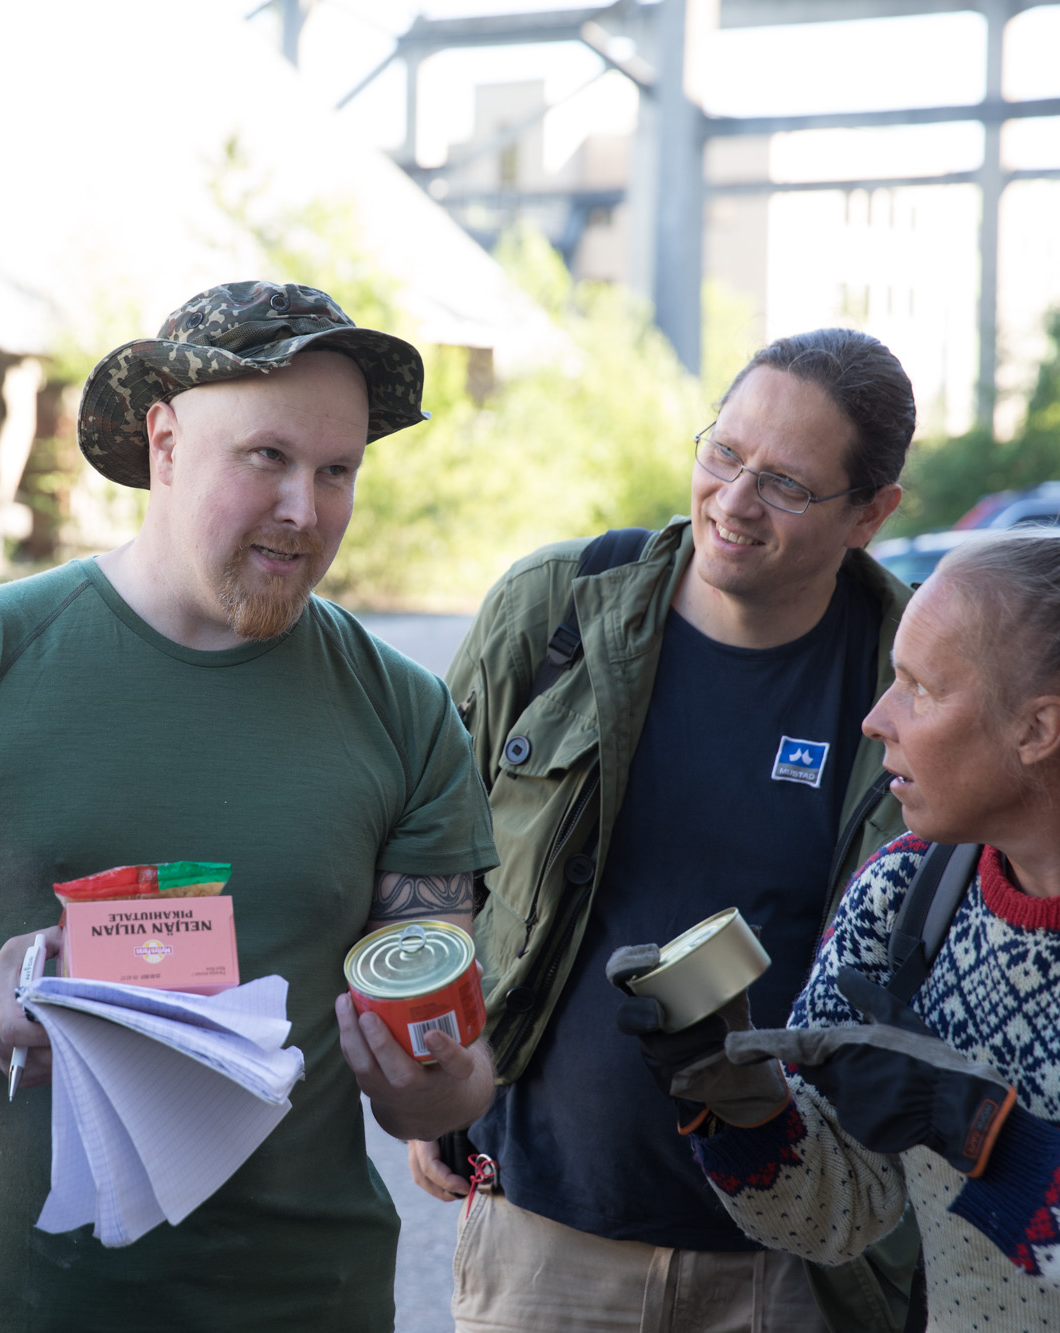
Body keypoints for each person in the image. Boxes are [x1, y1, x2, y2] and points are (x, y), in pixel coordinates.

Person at [0, 280, 499, 1333]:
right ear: (163, 439)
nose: (305, 507)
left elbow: (444, 1067)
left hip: (304, 1303)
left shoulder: (405, 712)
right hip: (15, 1307)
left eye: (337, 470)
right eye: (266, 458)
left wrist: (427, 1083)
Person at [627, 526, 1060, 1328]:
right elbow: (830, 1213)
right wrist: (732, 1095)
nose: (875, 718)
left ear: (1037, 729)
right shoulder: (903, 891)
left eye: (919, 686)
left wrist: (977, 1128)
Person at [422, 329, 918, 1331]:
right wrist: (438, 1069)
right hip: (545, 1243)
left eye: (785, 484)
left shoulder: (911, 680)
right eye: (723, 453)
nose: (732, 501)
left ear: (869, 513)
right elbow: (432, 856)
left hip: (790, 1272)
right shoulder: (552, 610)